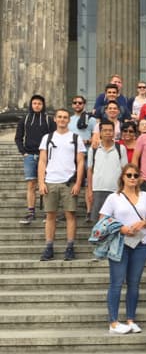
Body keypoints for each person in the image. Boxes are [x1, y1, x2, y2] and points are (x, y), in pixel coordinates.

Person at [100, 164, 146, 334]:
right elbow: (103, 219)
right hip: (120, 244)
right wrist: (121, 228)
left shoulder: (145, 196)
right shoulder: (113, 198)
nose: (132, 178)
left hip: (140, 244)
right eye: (129, 175)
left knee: (134, 283)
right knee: (116, 283)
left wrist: (144, 222)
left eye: (135, 175)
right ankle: (114, 322)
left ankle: (131, 319)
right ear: (123, 177)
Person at [38, 109, 86, 261]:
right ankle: (49, 247)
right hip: (51, 181)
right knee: (50, 215)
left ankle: (70, 247)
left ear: (68, 120)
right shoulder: (47, 137)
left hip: (68, 182)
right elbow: (42, 161)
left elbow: (80, 162)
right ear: (55, 119)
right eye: (60, 117)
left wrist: (78, 183)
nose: (62, 119)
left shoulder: (76, 138)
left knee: (70, 215)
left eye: (65, 117)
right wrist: (41, 182)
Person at [16, 94, 55, 224]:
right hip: (30, 156)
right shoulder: (25, 119)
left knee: (45, 184)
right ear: (31, 105)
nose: (37, 105)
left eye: (39, 103)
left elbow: (54, 137)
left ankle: (47, 212)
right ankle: (31, 212)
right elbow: (18, 137)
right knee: (31, 185)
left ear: (43, 105)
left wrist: (50, 153)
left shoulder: (49, 120)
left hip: (45, 155)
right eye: (34, 103)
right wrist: (23, 152)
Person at [87, 120, 128, 222]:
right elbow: (90, 170)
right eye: (104, 130)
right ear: (100, 132)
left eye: (110, 130)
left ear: (114, 132)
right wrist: (89, 190)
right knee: (98, 222)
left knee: (115, 221)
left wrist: (124, 190)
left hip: (116, 190)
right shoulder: (93, 149)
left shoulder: (121, 148)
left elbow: (125, 171)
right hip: (98, 189)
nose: (108, 132)